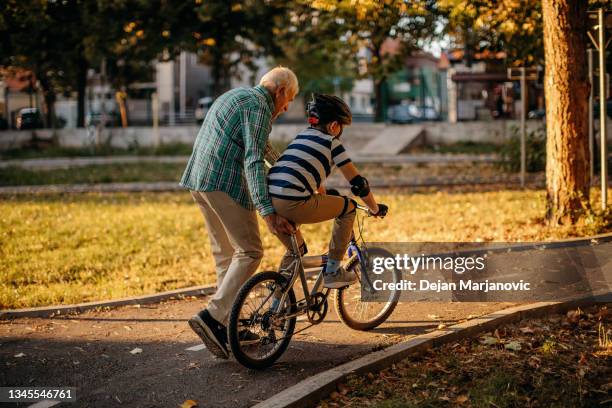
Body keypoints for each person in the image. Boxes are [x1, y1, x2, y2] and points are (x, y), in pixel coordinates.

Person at [180, 67, 299, 359]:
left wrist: (285, 167)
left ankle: (222, 324)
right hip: (224, 182)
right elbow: (253, 160)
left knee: (225, 254)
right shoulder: (260, 107)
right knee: (250, 251)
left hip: (199, 180)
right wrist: (267, 210)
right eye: (288, 100)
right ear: (280, 91)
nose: (286, 108)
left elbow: (262, 147)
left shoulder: (239, 96)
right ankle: (211, 316)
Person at [268, 94, 388, 289]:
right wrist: (374, 209)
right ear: (333, 126)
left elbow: (304, 173)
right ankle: (333, 270)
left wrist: (322, 193)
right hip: (294, 203)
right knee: (348, 207)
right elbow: (358, 183)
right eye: (341, 126)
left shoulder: (302, 136)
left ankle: (276, 309)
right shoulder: (332, 143)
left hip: (272, 203)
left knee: (295, 252)